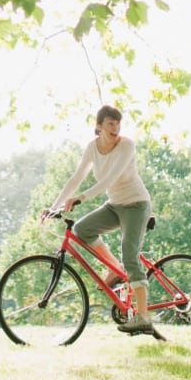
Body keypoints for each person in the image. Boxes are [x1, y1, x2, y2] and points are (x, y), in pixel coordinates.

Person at [44, 104, 156, 336]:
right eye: (110, 124)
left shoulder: (127, 146)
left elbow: (110, 179)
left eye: (118, 124)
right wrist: (54, 207)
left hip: (136, 205)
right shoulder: (92, 148)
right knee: (82, 229)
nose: (116, 129)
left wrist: (81, 198)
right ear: (99, 126)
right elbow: (76, 178)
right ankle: (116, 269)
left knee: (130, 253)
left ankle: (144, 317)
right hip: (115, 206)